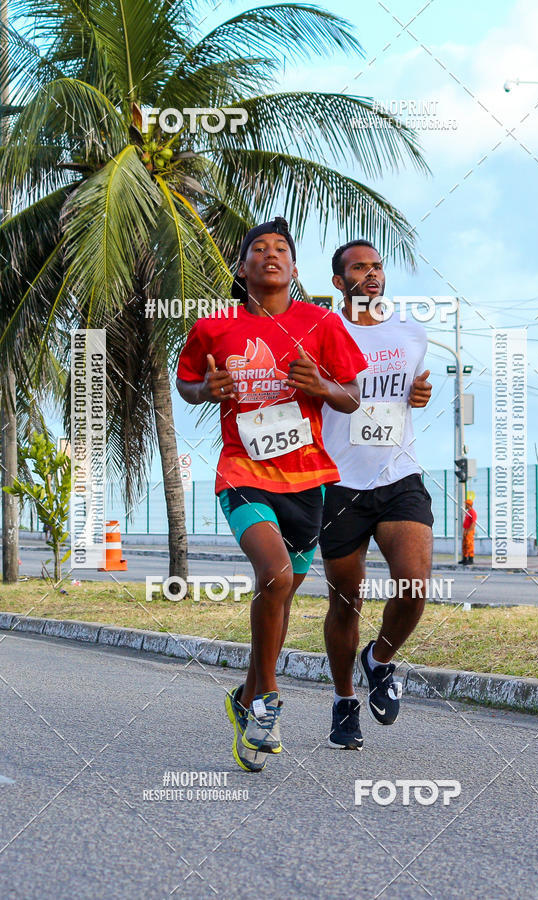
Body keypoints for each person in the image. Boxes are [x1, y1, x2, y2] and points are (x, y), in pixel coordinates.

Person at [176, 217, 366, 772]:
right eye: (258, 249)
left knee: (279, 598)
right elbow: (186, 382)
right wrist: (204, 390)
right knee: (276, 576)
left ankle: (244, 696)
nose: (271, 254)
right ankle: (266, 701)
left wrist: (321, 386)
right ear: (243, 268)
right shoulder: (214, 325)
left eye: (281, 248)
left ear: (295, 267)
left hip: (308, 481)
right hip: (243, 471)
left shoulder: (320, 322)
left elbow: (352, 395)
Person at [319, 239, 433, 750]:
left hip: (399, 476)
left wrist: (419, 395)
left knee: (414, 586)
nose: (371, 274)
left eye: (377, 266)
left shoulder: (411, 333)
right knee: (346, 602)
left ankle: (379, 659)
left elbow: (409, 392)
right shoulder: (323, 331)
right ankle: (344, 701)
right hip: (339, 482)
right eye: (359, 268)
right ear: (339, 282)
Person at [460, 497, 477, 565]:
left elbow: (473, 523)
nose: (465, 505)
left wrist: (469, 531)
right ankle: (465, 558)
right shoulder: (468, 512)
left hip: (469, 530)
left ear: (468, 505)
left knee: (469, 544)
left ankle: (470, 559)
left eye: (466, 504)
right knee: (464, 544)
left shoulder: (472, 512)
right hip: (466, 530)